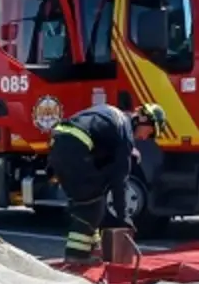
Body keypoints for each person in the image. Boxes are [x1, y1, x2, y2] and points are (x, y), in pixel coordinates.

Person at [48, 104, 163, 262]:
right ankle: (76, 256)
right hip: (74, 148)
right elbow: (119, 180)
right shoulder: (125, 132)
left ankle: (93, 250)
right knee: (91, 205)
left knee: (89, 200)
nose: (144, 138)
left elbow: (103, 165)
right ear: (142, 118)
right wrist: (123, 217)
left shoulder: (115, 118)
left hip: (60, 144)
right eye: (149, 132)